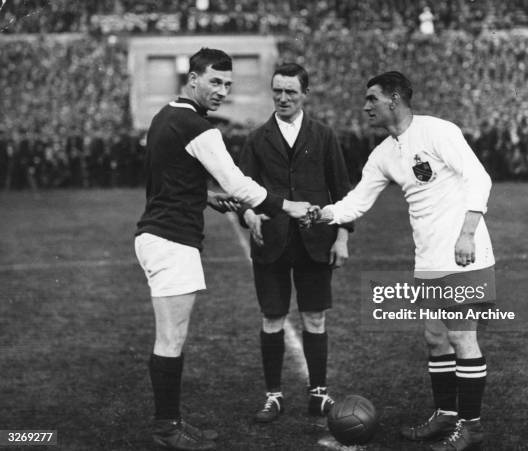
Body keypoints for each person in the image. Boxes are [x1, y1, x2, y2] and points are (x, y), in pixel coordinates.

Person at [134, 48, 311, 451]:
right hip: (171, 239)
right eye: (215, 81)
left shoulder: (166, 115)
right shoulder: (197, 127)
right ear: (192, 78)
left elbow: (169, 176)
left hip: (160, 235)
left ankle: (172, 420)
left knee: (171, 337)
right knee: (170, 339)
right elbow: (239, 184)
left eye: (228, 85)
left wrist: (205, 195)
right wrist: (286, 205)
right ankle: (166, 427)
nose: (222, 91)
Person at [310, 71, 495, 451]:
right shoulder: (383, 153)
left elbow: (480, 179)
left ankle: (472, 426)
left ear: (394, 99)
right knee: (434, 339)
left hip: (463, 252)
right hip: (427, 256)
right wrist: (322, 213)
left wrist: (466, 233)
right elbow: (355, 203)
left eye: (372, 99)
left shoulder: (439, 131)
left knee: (462, 336)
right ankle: (445, 416)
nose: (365, 107)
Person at [238, 63, 353, 423]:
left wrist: (344, 236)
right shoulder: (257, 138)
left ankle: (318, 393)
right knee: (272, 316)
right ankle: (273, 396)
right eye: (278, 90)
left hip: (315, 241)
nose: (283, 97)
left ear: (305, 94)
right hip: (270, 241)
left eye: (290, 91)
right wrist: (249, 215)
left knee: (314, 316)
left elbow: (342, 191)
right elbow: (244, 191)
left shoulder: (323, 136)